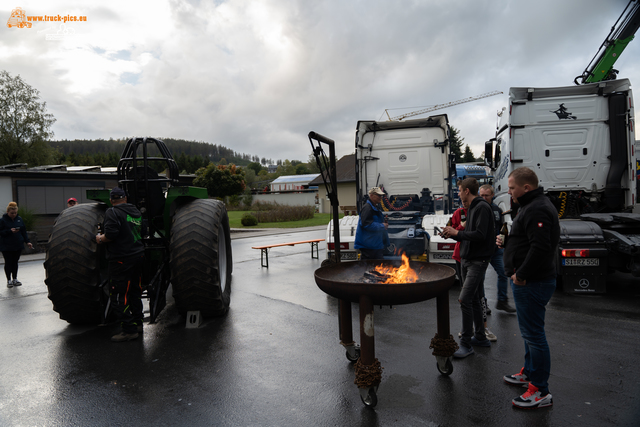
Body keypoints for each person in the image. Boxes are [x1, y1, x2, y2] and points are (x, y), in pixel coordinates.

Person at [499, 168, 560, 409]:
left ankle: (540, 390)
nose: (509, 192)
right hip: (528, 281)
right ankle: (530, 374)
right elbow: (526, 240)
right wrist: (506, 242)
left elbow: (541, 248)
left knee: (534, 335)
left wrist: (521, 275)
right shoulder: (529, 206)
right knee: (529, 333)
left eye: (512, 187)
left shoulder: (537, 208)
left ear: (526, 187)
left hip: (532, 282)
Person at [441, 178, 494, 358]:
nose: (458, 193)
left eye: (459, 190)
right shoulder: (471, 208)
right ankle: (480, 337)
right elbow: (467, 235)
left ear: (466, 191)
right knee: (475, 299)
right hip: (467, 259)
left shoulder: (481, 208)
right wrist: (452, 234)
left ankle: (465, 344)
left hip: (477, 261)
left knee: (464, 299)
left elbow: (480, 235)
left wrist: (457, 233)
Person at [96, 187, 145, 342]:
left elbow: (110, 235)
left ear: (111, 200)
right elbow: (142, 231)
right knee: (135, 292)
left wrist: (99, 238)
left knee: (118, 295)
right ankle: (138, 324)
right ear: (125, 198)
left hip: (120, 260)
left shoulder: (113, 212)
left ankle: (129, 330)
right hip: (138, 257)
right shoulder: (136, 211)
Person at [479, 184, 515, 313]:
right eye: (481, 195)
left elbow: (501, 228)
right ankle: (483, 305)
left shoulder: (496, 209)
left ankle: (502, 301)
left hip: (496, 250)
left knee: (504, 274)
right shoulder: (476, 209)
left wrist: (503, 241)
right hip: (482, 251)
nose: (483, 198)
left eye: (486, 195)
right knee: (480, 279)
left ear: (492, 195)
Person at [0, 202, 33, 287]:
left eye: (15, 213)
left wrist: (28, 241)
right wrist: (9, 231)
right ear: (8, 211)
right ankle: (9, 280)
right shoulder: (2, 220)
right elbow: (1, 232)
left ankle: (15, 279)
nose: (14, 214)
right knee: (8, 262)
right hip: (6, 245)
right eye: (12, 213)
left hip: (18, 244)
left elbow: (23, 231)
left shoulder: (19, 219)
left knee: (15, 262)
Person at [354, 187, 389, 260]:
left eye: (381, 195)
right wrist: (382, 226)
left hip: (374, 245)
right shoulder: (367, 208)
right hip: (369, 247)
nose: (380, 197)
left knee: (377, 268)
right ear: (371, 196)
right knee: (369, 268)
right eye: (378, 195)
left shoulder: (374, 207)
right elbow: (366, 224)